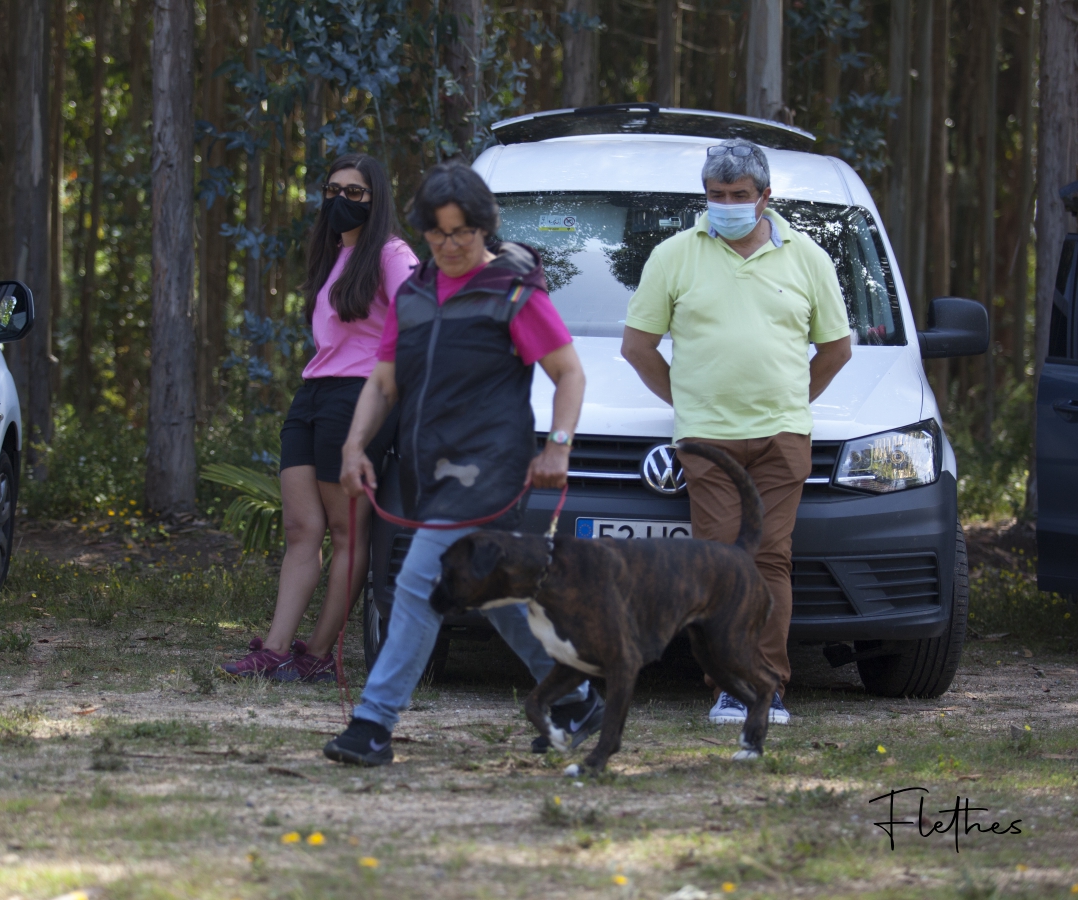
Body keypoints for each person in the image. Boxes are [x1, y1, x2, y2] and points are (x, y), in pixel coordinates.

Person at [322, 161, 605, 766]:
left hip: (492, 470)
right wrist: (353, 446)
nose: (449, 245)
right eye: (437, 233)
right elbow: (383, 381)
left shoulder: (513, 293)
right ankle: (576, 698)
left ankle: (373, 724)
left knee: (419, 583)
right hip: (430, 472)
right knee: (495, 594)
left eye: (462, 233)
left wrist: (558, 445)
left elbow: (569, 372)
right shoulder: (413, 295)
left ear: (484, 227)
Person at [620, 138, 853, 726]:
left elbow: (836, 348)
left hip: (782, 439)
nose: (726, 205)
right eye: (716, 195)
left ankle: (764, 689)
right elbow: (637, 347)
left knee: (770, 558)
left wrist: (790, 403)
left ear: (765, 196)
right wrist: (689, 403)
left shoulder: (808, 257)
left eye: (738, 195)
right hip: (708, 441)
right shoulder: (674, 255)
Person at [223, 153, 419, 684]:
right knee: (301, 527)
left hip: (360, 397)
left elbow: (420, 318)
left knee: (346, 532)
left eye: (354, 193)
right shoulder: (333, 254)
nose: (341, 201)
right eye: (333, 191)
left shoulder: (391, 253)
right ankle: (275, 649)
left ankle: (318, 655)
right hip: (312, 393)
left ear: (375, 199)